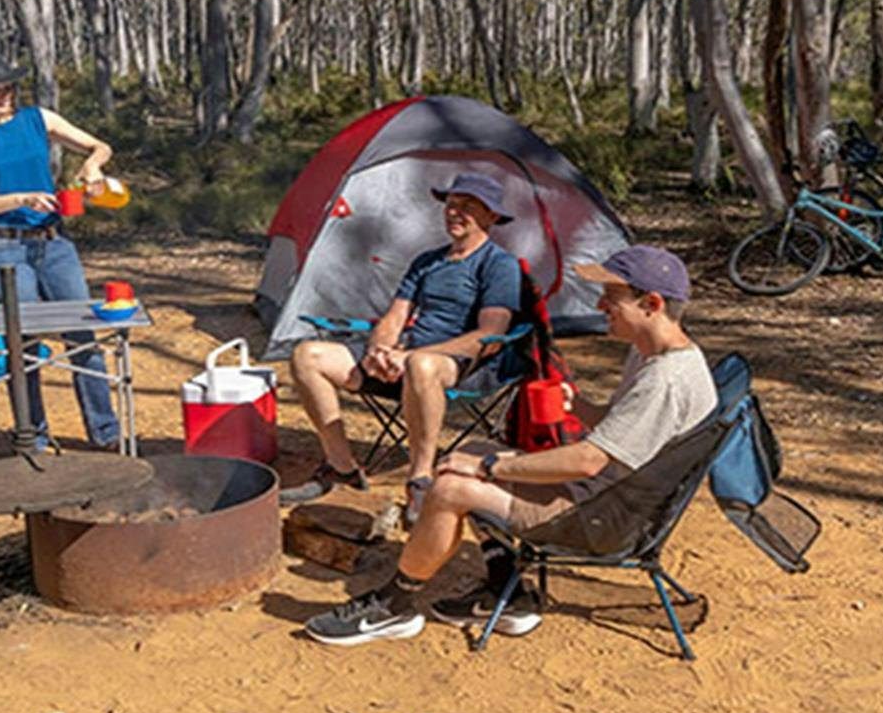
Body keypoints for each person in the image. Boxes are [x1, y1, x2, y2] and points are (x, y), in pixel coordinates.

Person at [303, 245, 716, 646]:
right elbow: (620, 429)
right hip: (614, 494)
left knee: (452, 486)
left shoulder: (665, 379)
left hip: (603, 517)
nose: (600, 305)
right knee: (471, 452)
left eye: (612, 297)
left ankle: (394, 604)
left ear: (652, 304)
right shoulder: (653, 355)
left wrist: (490, 471)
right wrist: (580, 405)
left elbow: (590, 460)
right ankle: (510, 592)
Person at [283, 171, 524, 521]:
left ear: (492, 216)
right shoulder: (428, 261)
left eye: (467, 207)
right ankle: (341, 466)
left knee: (421, 366)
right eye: (451, 204)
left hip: (461, 367)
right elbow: (394, 317)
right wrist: (378, 351)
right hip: (404, 360)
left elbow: (488, 335)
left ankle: (420, 479)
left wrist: (409, 356)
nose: (454, 212)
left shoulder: (498, 265)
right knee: (308, 356)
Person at [0, 48, 122, 450]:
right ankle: (34, 436)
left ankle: (106, 433)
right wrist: (18, 200)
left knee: (84, 336)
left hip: (55, 244)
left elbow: (100, 146)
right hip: (3, 251)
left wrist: (93, 166)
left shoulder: (38, 119)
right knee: (23, 344)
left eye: (8, 88)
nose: (5, 96)